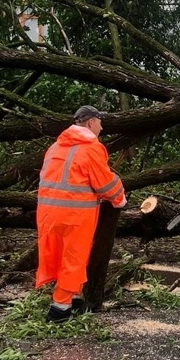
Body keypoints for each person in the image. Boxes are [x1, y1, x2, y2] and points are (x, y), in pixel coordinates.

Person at [35, 105, 126, 323]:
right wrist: (119, 198)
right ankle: (60, 308)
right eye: (100, 123)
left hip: (48, 213)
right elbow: (104, 182)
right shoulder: (91, 148)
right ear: (91, 123)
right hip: (75, 215)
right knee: (73, 258)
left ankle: (73, 295)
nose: (102, 128)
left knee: (55, 255)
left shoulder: (55, 147)